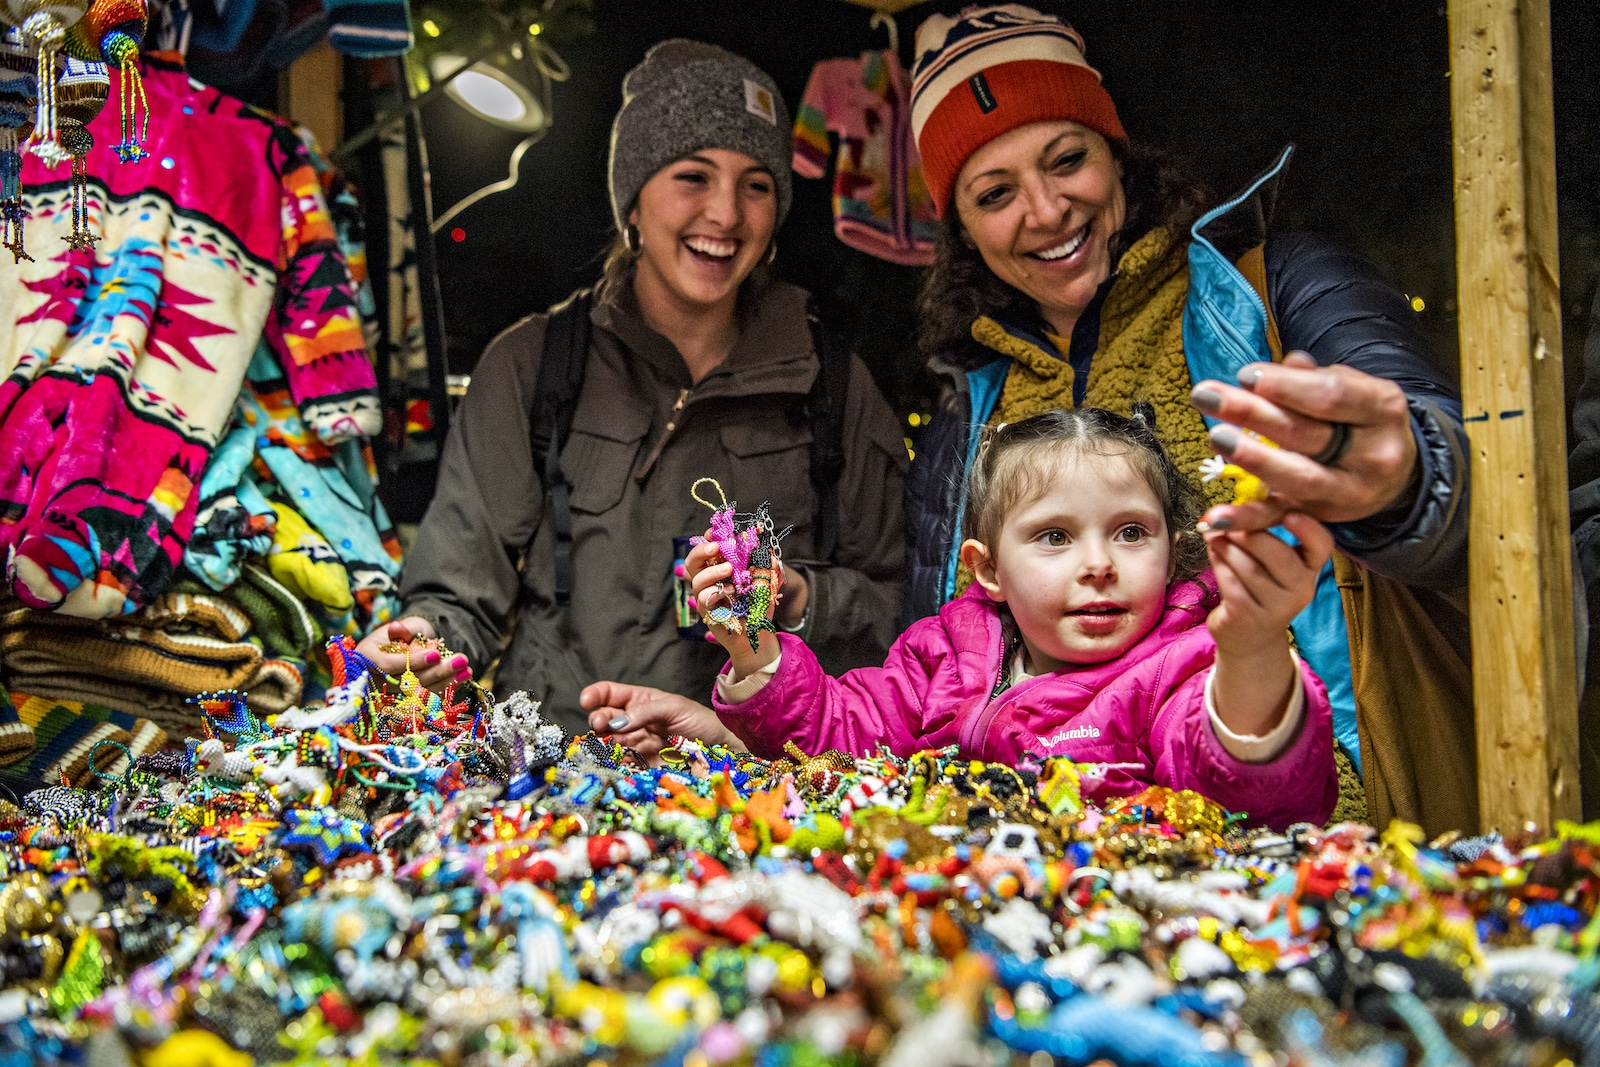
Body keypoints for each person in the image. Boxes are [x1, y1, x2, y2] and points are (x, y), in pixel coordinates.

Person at [898, 5, 1472, 833]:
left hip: (1341, 835)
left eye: (1068, 159)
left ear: (1119, 158)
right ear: (962, 230)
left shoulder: (1277, 292)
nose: (1047, 208)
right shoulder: (965, 414)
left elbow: (1471, 500)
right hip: (1047, 880)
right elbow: (937, 678)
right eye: (995, 193)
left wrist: (1406, 480)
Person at [358, 40, 908, 735]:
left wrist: (800, 598)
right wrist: (422, 648)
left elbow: (903, 618)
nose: (727, 215)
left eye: (756, 185)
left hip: (755, 788)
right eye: (692, 176)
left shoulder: (833, 387)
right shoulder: (533, 366)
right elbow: (457, 594)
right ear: (633, 201)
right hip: (552, 771)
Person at [677, 407, 1337, 830]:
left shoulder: (1183, 666)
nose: (1099, 563)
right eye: (1055, 537)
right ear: (987, 569)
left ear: (1173, 549)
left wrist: (1251, 649)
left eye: (1132, 531)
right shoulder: (942, 655)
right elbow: (843, 736)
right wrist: (759, 653)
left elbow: (1248, 791)